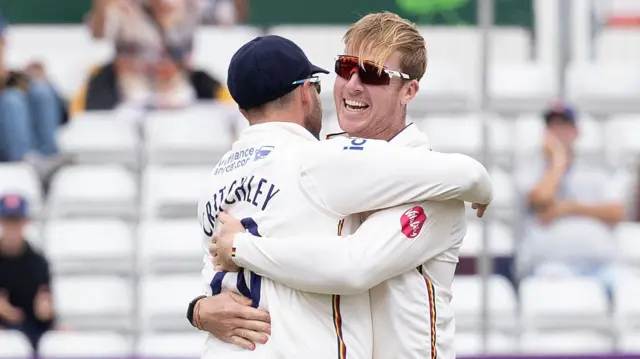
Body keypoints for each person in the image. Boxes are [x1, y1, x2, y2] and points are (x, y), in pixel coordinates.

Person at [189, 33, 492, 358]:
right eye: (345, 68)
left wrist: (233, 258)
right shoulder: (319, 162)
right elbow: (470, 175)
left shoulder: (216, 179)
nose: (353, 84)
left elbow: (354, 265)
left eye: (374, 74)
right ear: (306, 92)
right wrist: (200, 310)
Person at [516, 102, 626, 292]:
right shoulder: (530, 170)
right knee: (559, 289)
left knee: (628, 288)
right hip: (553, 266)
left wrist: (568, 208)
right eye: (553, 126)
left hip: (601, 266)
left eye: (564, 126)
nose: (559, 132)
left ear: (576, 132)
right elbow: (541, 200)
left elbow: (616, 212)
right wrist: (558, 160)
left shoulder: (594, 171)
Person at [74, 0, 232, 113]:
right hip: (129, 94)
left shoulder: (191, 5)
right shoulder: (121, 6)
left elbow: (230, 17)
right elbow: (98, 34)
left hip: (178, 92)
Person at [0, 13, 69, 177]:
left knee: (42, 90)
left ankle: (48, 162)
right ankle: (25, 167)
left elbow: (64, 115)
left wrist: (36, 78)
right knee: (12, 101)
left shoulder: (15, 77)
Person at [0, 194, 55, 352]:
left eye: (16, 221)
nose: (12, 228)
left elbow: (44, 311)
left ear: (25, 223)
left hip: (30, 332)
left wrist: (47, 313)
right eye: (7, 221)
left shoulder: (37, 263)